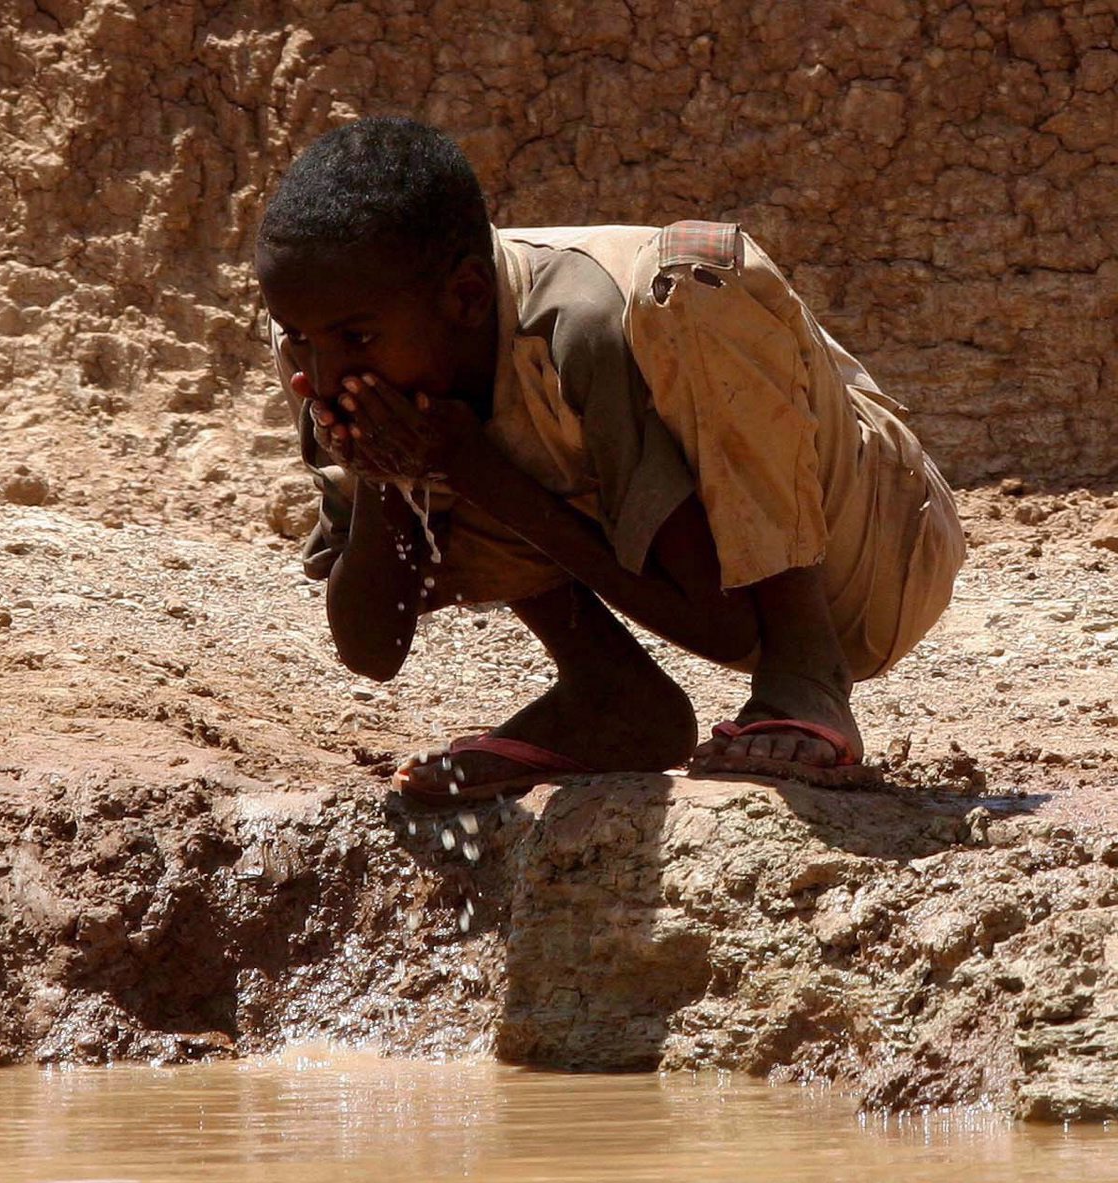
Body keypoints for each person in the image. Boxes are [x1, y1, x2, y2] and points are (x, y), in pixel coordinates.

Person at [254, 117, 964, 804]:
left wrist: (475, 471)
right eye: (303, 340)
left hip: (875, 543)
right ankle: (612, 694)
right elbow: (372, 648)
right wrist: (392, 475)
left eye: (353, 339)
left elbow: (724, 626)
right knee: (465, 420)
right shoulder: (329, 348)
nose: (325, 371)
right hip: (703, 568)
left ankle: (806, 672)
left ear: (468, 297)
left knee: (697, 270)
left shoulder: (579, 326)